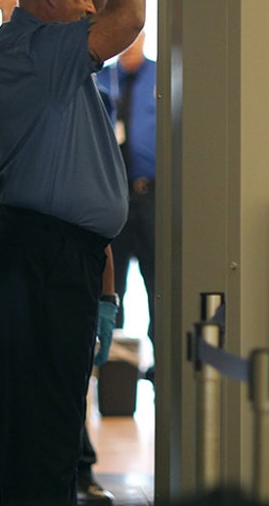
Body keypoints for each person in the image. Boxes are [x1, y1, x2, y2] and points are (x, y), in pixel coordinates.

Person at [0, 0, 148, 506]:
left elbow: (103, 4)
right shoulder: (35, 51)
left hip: (57, 258)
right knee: (42, 436)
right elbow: (125, 15)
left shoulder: (43, 45)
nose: (87, 8)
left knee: (45, 427)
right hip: (40, 262)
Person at [98, 30, 159, 370]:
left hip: (150, 194)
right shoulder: (102, 78)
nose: (130, 44)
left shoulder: (160, 77)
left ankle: (159, 367)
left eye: (136, 37)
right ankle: (111, 369)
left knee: (157, 284)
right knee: (111, 284)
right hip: (113, 195)